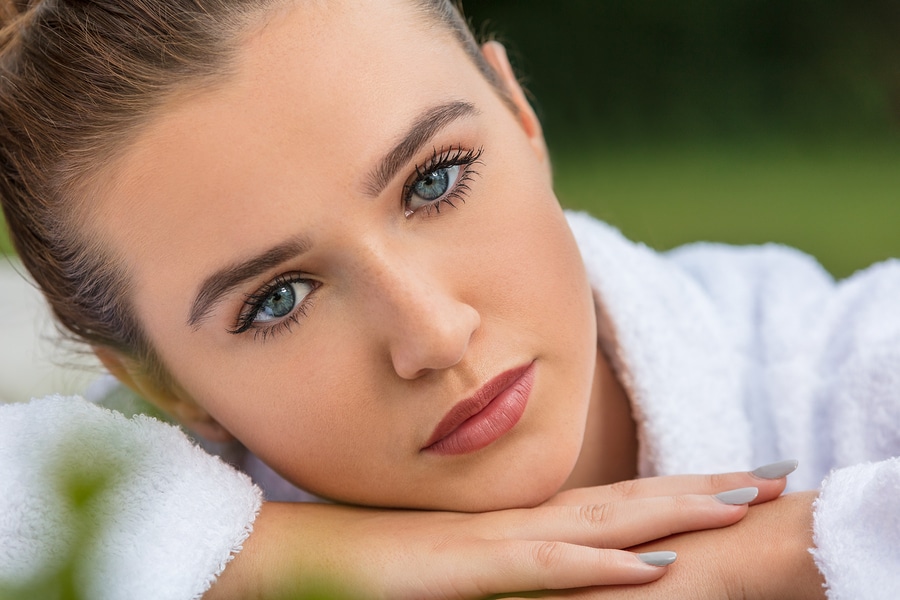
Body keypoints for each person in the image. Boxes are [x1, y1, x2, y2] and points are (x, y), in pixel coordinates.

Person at [0, 0, 897, 598]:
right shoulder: (148, 537)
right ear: (162, 386)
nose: (431, 332)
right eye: (278, 299)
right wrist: (318, 564)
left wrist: (777, 555)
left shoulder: (840, 372)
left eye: (434, 180)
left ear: (519, 114)